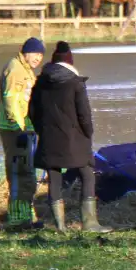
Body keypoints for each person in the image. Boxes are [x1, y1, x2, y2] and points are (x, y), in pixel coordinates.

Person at [31, 41, 110, 233]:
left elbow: (32, 111)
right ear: (70, 62)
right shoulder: (75, 83)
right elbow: (84, 114)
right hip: (75, 139)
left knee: (55, 179)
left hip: (50, 138)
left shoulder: (40, 82)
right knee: (87, 174)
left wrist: (43, 130)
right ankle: (90, 223)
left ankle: (60, 226)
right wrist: (88, 133)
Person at [0, 37, 44, 230]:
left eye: (41, 55)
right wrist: (18, 128)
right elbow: (10, 100)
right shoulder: (16, 69)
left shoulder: (25, 69)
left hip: (26, 129)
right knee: (20, 174)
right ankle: (17, 219)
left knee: (28, 173)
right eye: (35, 54)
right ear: (25, 52)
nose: (38, 58)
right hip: (15, 130)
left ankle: (27, 216)